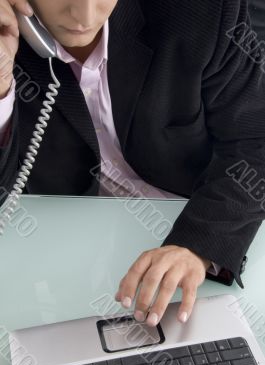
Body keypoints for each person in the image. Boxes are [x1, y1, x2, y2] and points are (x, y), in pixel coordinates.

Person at [0, 0, 265, 327]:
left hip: (194, 219)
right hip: (62, 250)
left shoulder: (204, 11)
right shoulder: (6, 35)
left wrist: (197, 245)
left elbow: (255, 141)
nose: (84, 15)